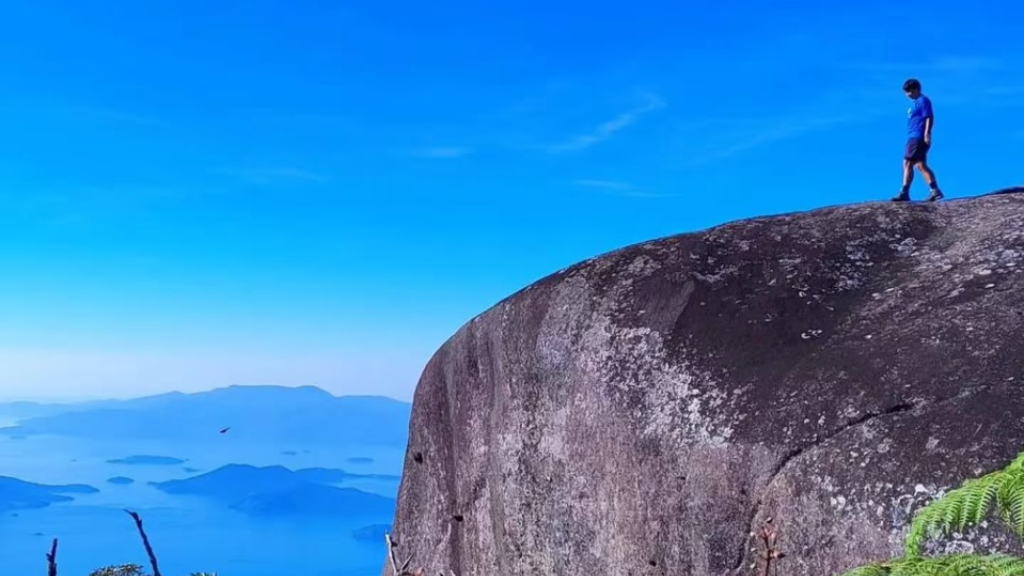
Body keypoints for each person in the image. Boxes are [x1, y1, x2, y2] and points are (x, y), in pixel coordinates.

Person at [891, 78, 944, 202]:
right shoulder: (915, 103)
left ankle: (904, 192)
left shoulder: (923, 101)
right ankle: (934, 190)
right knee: (920, 165)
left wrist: (927, 133)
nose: (907, 95)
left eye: (908, 91)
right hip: (913, 136)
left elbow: (929, 117)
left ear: (915, 89)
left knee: (907, 163)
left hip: (917, 136)